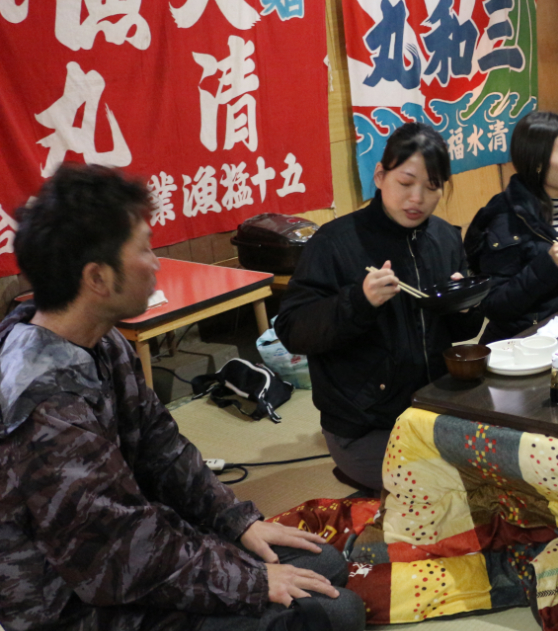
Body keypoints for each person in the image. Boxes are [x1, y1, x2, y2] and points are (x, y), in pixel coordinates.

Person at [0, 164, 364, 631]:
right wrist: (251, 583)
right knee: (332, 613)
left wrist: (238, 522)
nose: (155, 263)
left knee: (324, 565)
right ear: (97, 279)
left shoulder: (100, 339)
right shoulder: (44, 408)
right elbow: (117, 556)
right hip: (70, 602)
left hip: (133, 552)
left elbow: (162, 448)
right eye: (144, 249)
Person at [276, 123, 482, 493]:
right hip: (365, 425)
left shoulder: (445, 237)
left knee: (501, 470)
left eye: (432, 186)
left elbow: (456, 335)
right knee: (446, 491)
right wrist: (359, 301)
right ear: (380, 175)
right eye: (406, 183)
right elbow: (293, 330)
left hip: (433, 410)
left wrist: (463, 307)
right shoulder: (334, 242)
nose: (417, 198)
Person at [465, 112, 558, 343]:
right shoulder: (505, 216)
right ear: (539, 163)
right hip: (520, 345)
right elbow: (494, 306)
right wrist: (547, 265)